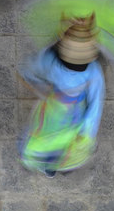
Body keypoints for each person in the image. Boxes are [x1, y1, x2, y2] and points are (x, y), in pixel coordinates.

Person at [19, 14, 105, 178]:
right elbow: (95, 103)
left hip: (53, 108)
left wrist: (38, 85)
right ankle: (60, 163)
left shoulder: (50, 60)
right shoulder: (94, 71)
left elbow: (30, 68)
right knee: (67, 140)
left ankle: (46, 164)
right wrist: (88, 131)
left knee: (46, 136)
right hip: (75, 113)